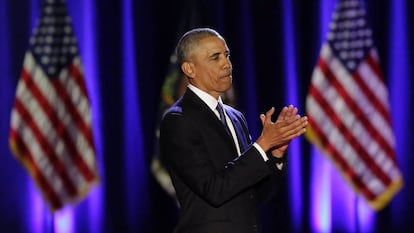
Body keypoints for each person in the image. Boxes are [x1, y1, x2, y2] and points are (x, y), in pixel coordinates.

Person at [159, 28, 308, 233]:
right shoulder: (178, 120)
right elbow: (214, 190)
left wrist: (275, 154)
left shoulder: (235, 117)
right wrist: (262, 144)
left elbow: (251, 193)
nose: (226, 64)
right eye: (215, 57)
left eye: (227, 55)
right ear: (189, 69)